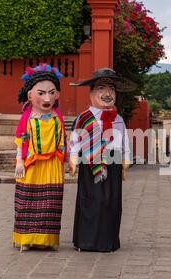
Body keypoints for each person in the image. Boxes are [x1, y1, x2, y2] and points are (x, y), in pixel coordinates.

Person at [69, 68, 136, 252]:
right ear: (91, 94)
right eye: (101, 88)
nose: (107, 94)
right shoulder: (83, 118)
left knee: (111, 203)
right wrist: (73, 159)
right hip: (90, 164)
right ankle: (86, 241)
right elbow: (75, 140)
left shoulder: (119, 119)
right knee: (91, 201)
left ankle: (108, 241)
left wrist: (125, 161)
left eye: (111, 89)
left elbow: (124, 141)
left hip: (113, 164)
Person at [13, 64, 67, 252]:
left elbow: (62, 141)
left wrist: (64, 161)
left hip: (52, 164)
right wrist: (19, 161)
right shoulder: (26, 118)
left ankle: (46, 239)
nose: (47, 98)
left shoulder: (57, 117)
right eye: (41, 93)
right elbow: (21, 139)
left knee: (51, 203)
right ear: (30, 95)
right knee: (27, 200)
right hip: (31, 164)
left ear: (57, 94)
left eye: (52, 93)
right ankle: (25, 238)